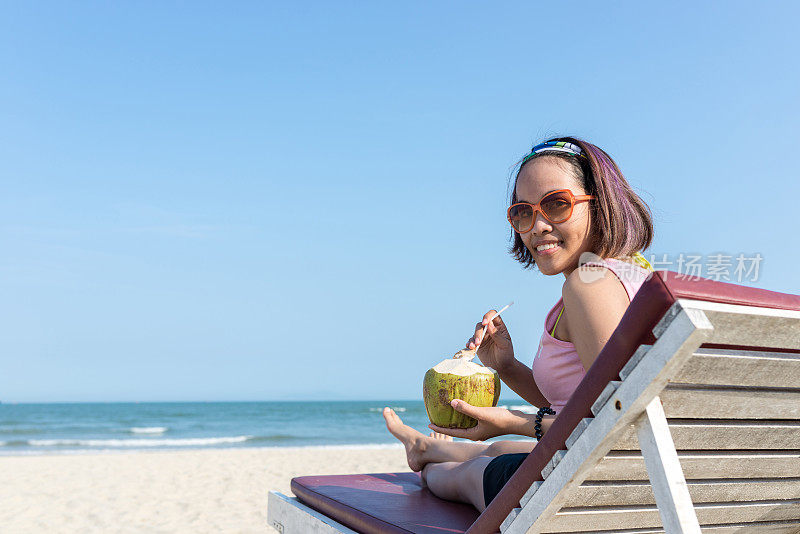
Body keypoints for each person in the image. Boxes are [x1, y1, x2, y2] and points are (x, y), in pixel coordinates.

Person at [382, 136, 655, 511]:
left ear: (601, 203)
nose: (537, 226)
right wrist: (505, 367)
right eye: (523, 212)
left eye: (557, 204)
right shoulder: (633, 273)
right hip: (634, 467)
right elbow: (576, 401)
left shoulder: (588, 287)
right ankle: (427, 446)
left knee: (462, 473)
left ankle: (429, 462)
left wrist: (513, 420)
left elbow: (613, 416)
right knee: (499, 449)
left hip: (599, 489)